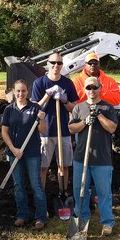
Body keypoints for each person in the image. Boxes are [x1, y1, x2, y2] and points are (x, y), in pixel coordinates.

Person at [68, 76, 119, 236]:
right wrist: (85, 122)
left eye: (94, 87)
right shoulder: (78, 108)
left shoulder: (107, 108)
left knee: (104, 193)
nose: (91, 90)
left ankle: (107, 223)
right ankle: (83, 221)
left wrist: (99, 116)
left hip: (102, 159)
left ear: (100, 88)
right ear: (84, 89)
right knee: (80, 191)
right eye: (88, 88)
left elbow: (112, 128)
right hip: (81, 158)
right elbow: (71, 128)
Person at [0, 79, 48, 230]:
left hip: (32, 152)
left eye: (24, 91)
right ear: (14, 92)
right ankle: (22, 215)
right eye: (18, 91)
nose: (21, 94)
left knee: (36, 185)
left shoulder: (35, 108)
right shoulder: (9, 109)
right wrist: (13, 149)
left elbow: (43, 130)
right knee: (18, 185)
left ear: (28, 92)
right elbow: (4, 132)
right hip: (14, 153)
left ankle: (40, 217)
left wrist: (41, 119)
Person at [31, 52, 78, 197]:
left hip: (63, 131)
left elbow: (74, 109)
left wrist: (65, 101)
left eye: (59, 63)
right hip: (44, 132)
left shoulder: (67, 83)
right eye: (53, 63)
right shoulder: (39, 83)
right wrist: (47, 95)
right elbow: (34, 108)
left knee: (63, 166)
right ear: (48, 63)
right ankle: (41, 195)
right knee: (43, 167)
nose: (56, 66)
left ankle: (62, 193)